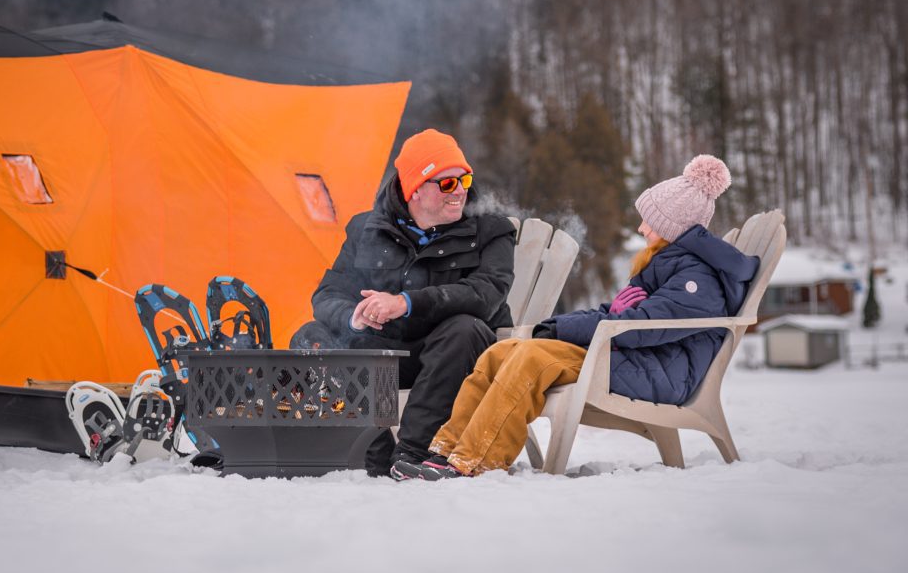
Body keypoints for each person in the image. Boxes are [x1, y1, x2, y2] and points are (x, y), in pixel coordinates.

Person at [391, 154, 760, 480]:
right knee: (501, 354)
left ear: (670, 228)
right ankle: (443, 453)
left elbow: (645, 327)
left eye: (648, 221)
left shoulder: (696, 277)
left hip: (658, 370)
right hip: (626, 355)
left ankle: (473, 462)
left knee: (532, 359)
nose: (641, 228)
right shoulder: (669, 266)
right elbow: (618, 316)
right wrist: (560, 326)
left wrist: (565, 329)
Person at [290, 128, 516, 476]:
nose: (459, 192)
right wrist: (355, 317)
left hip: (456, 357)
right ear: (414, 189)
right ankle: (372, 451)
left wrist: (406, 302)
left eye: (464, 179)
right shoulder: (366, 230)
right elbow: (327, 294)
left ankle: (413, 453)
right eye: (446, 184)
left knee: (464, 329)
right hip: (387, 353)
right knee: (311, 336)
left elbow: (485, 295)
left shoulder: (490, 231)